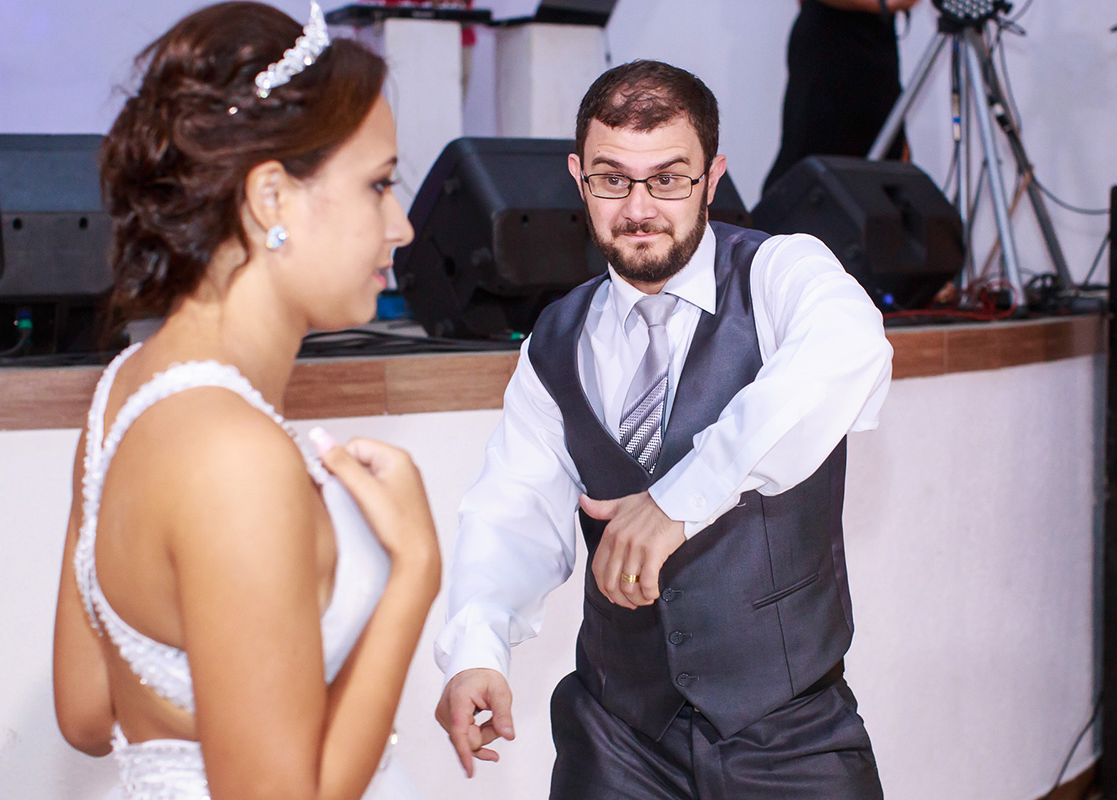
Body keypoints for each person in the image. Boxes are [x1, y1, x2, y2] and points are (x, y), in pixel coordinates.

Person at [434, 59, 893, 799]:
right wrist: (476, 649)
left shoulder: (782, 271)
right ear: (579, 178)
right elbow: (512, 510)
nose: (639, 207)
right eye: (613, 180)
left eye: (668, 179)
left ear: (712, 177)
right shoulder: (554, 339)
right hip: (617, 736)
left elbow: (850, 353)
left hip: (790, 734)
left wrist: (678, 500)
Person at [51, 4, 439, 799]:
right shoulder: (236, 456)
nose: (400, 225)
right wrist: (414, 578)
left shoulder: (123, 394)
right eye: (378, 184)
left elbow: (90, 714)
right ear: (270, 199)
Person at [763, 0, 923, 194]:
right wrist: (883, 4)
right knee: (812, 169)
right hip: (829, 50)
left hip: (878, 44)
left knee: (888, 163)